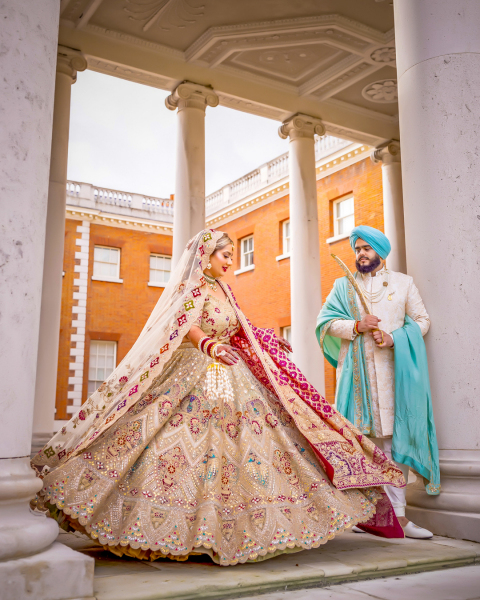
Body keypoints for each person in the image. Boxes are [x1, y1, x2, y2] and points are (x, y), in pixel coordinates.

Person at [32, 229, 405, 566]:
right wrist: (207, 344)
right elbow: (183, 324)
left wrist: (269, 340)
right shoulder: (191, 289)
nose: (229, 261)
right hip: (196, 367)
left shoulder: (224, 289)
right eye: (225, 255)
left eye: (230, 255)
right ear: (206, 255)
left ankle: (238, 525)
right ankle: (158, 527)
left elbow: (239, 324)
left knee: (241, 442)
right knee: (177, 437)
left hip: (229, 367)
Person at [316, 225, 440, 540]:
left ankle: (398, 517)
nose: (361, 254)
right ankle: (366, 516)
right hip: (356, 380)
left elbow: (422, 321)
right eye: (357, 249)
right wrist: (355, 325)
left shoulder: (403, 284)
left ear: (380, 252)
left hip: (394, 375)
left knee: (396, 445)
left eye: (366, 249)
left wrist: (394, 337)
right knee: (362, 445)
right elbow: (325, 323)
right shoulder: (343, 286)